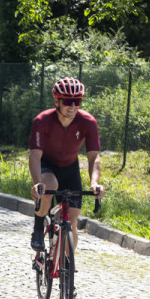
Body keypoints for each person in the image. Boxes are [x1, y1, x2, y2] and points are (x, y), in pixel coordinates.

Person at [29, 77, 105, 255]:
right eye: (68, 101)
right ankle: (38, 227)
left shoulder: (88, 122)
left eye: (77, 101)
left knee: (72, 220)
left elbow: (94, 157)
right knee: (50, 185)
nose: (73, 106)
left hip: (70, 168)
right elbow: (35, 155)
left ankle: (67, 267)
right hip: (46, 165)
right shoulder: (42, 121)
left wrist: (94, 183)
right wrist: (37, 182)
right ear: (56, 101)